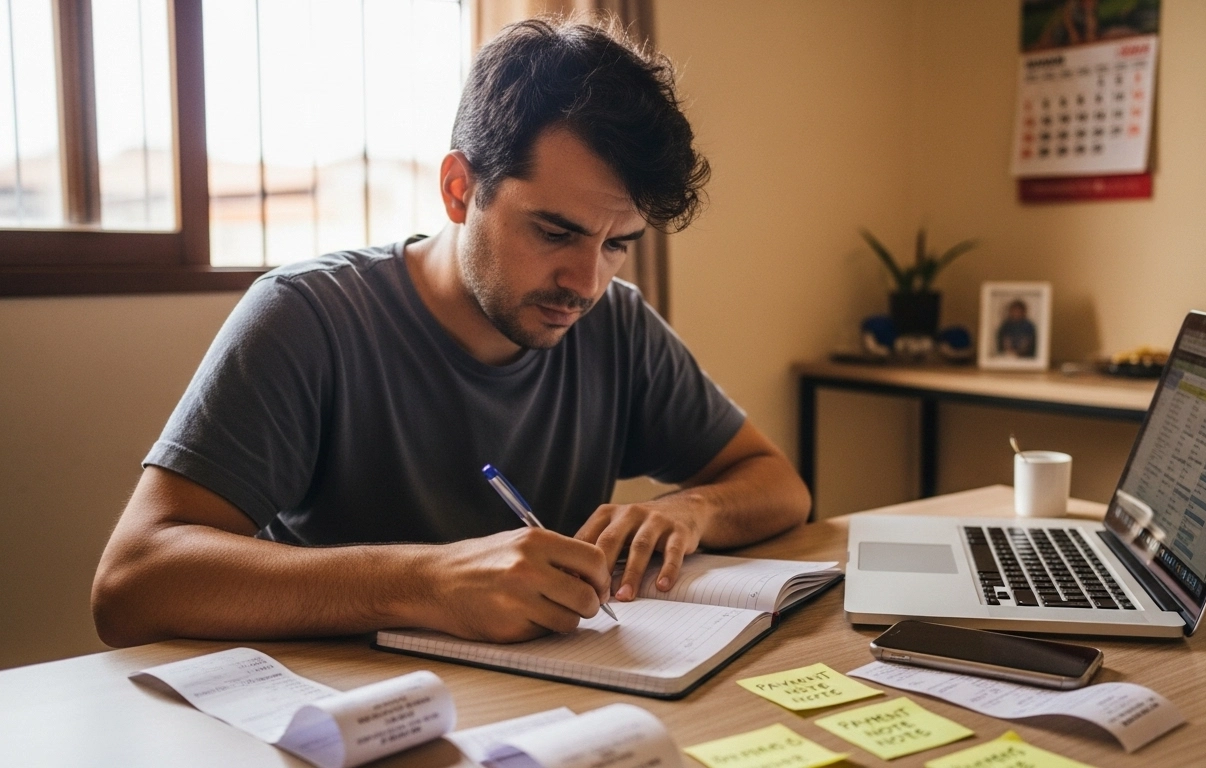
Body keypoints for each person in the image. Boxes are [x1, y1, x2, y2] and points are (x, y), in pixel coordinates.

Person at [91, 19, 811, 648]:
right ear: (460, 189)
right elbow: (132, 584)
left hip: (546, 709)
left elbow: (778, 485)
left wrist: (693, 508)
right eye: (555, 231)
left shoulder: (615, 324)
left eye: (617, 242)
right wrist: (427, 581)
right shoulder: (308, 317)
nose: (587, 282)